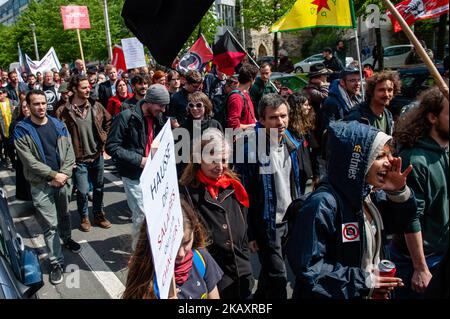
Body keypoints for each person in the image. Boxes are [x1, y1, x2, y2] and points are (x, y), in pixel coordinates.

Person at [286, 121, 420, 299]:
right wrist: (364, 282)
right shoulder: (322, 204)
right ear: (356, 161)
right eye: (380, 156)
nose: (390, 162)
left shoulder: (368, 195)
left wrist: (398, 192)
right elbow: (309, 267)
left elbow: (404, 223)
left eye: (389, 155)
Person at [235, 93, 305, 299]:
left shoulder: (293, 143)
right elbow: (243, 195)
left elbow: (296, 182)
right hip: (267, 225)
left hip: (290, 221)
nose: (280, 121)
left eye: (283, 116)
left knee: (270, 270)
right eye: (274, 117)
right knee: (279, 277)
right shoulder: (248, 149)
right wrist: (249, 234)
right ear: (262, 120)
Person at [14, 90, 80, 285]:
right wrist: (53, 175)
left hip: (63, 181)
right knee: (50, 225)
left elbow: (69, 152)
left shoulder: (58, 125)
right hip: (41, 185)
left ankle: (67, 239)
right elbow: (30, 162)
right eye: (36, 104)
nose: (41, 107)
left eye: (43, 103)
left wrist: (64, 175)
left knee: (65, 214)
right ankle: (56, 263)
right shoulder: (22, 130)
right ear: (28, 106)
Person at [180, 128, 253, 299]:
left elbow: (244, 220)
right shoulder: (187, 193)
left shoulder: (234, 186)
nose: (220, 166)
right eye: (212, 160)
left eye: (223, 160)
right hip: (214, 277)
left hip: (242, 272)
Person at [391, 86, 449, 299]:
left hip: (443, 253)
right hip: (420, 260)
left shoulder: (446, 149)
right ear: (433, 117)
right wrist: (420, 267)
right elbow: (410, 217)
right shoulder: (415, 160)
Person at [106, 84, 169, 248]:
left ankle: (153, 246)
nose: (163, 109)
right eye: (160, 105)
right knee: (141, 215)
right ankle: (139, 251)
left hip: (153, 173)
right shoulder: (126, 117)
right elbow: (111, 147)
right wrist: (139, 160)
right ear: (149, 101)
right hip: (133, 174)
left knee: (155, 212)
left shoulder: (158, 117)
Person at [123, 199, 223, 299]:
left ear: (194, 232)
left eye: (186, 243)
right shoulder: (146, 277)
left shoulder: (201, 259)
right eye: (173, 247)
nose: (181, 253)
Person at [57, 75, 112, 232]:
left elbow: (108, 121)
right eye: (84, 87)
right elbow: (59, 137)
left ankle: (98, 214)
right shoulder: (63, 111)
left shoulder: (96, 106)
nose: (88, 89)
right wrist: (67, 158)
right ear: (74, 89)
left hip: (96, 155)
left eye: (89, 86)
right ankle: (84, 216)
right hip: (78, 160)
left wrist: (104, 139)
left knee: (99, 187)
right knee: (82, 191)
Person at [345, 71, 400, 135]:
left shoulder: (388, 114)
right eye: (381, 90)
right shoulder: (357, 116)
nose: (386, 94)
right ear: (371, 92)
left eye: (390, 90)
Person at [287, 93, 320, 190]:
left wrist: (316, 175)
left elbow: (314, 151)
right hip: (293, 175)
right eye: (305, 105)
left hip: (305, 174)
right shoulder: (286, 129)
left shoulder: (306, 126)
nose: (309, 107)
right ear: (297, 107)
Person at [8, 100, 32, 200]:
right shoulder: (16, 124)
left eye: (27, 106)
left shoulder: (40, 121)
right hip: (23, 158)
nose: (26, 109)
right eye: (23, 107)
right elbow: (11, 142)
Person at [226, 63, 258, 130]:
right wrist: (252, 126)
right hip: (240, 139)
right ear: (252, 80)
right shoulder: (236, 97)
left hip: (249, 137)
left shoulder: (245, 94)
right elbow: (233, 127)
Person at [0, 87, 17, 168]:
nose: (0, 95)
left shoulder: (12, 102)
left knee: (16, 145)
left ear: (5, 94)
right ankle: (10, 161)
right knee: (7, 147)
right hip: (3, 130)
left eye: (1, 93)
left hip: (14, 128)